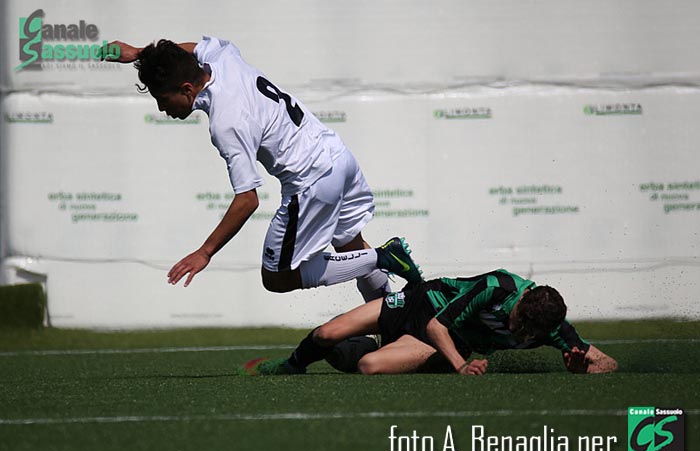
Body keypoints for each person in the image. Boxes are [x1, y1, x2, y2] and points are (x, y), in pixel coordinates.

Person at [106, 36, 422, 300]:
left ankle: (385, 256)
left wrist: (205, 252)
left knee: (277, 278)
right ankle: (397, 318)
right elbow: (185, 52)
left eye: (162, 99)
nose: (161, 108)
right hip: (337, 156)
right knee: (350, 246)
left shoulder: (226, 122)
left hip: (312, 180)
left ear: (187, 89)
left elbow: (248, 200)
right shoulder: (223, 56)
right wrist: (138, 54)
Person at [239, 268, 618, 376]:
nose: (515, 332)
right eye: (517, 322)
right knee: (326, 332)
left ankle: (375, 350)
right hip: (423, 305)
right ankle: (291, 366)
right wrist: (462, 365)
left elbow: (607, 363)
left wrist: (583, 367)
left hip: (441, 339)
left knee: (370, 366)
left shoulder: (553, 327)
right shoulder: (497, 287)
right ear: (521, 302)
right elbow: (437, 324)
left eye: (524, 333)